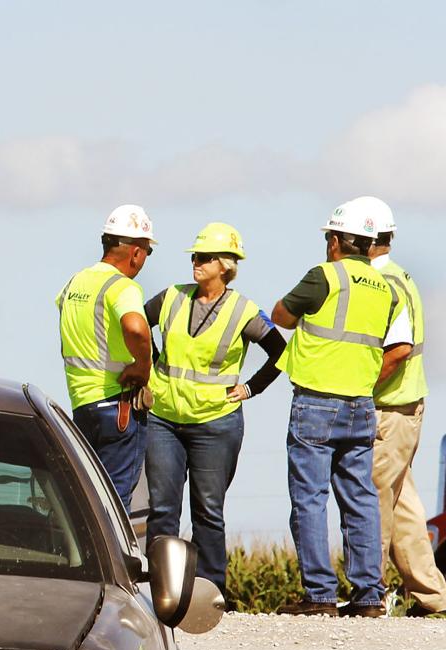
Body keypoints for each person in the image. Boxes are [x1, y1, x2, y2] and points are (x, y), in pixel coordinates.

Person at [272, 201, 410, 617]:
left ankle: (319, 594)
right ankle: (369, 595)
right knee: (361, 499)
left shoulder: (324, 276)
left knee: (310, 499)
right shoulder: (386, 289)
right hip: (361, 405)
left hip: (316, 401)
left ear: (334, 241)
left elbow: (281, 315)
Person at [144, 223, 286, 599]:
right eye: (194, 256)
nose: (196, 262)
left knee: (207, 510)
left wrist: (251, 388)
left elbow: (282, 353)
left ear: (225, 265)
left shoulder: (243, 311)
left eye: (204, 257)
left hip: (215, 423)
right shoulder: (171, 297)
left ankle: (209, 593)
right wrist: (151, 365)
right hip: (163, 418)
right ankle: (159, 589)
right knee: (162, 509)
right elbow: (138, 329)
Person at [355, 196, 446, 617]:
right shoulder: (400, 276)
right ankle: (433, 596)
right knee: (403, 504)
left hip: (389, 409)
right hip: (406, 408)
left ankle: (369, 592)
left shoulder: (380, 285)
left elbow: (396, 351)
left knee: (373, 499)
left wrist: (361, 389)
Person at [56, 204, 155, 509]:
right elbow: (137, 328)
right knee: (114, 506)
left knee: (88, 503)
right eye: (148, 253)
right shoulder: (123, 287)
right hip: (118, 408)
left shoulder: (75, 283)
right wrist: (142, 366)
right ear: (136, 252)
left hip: (83, 407)